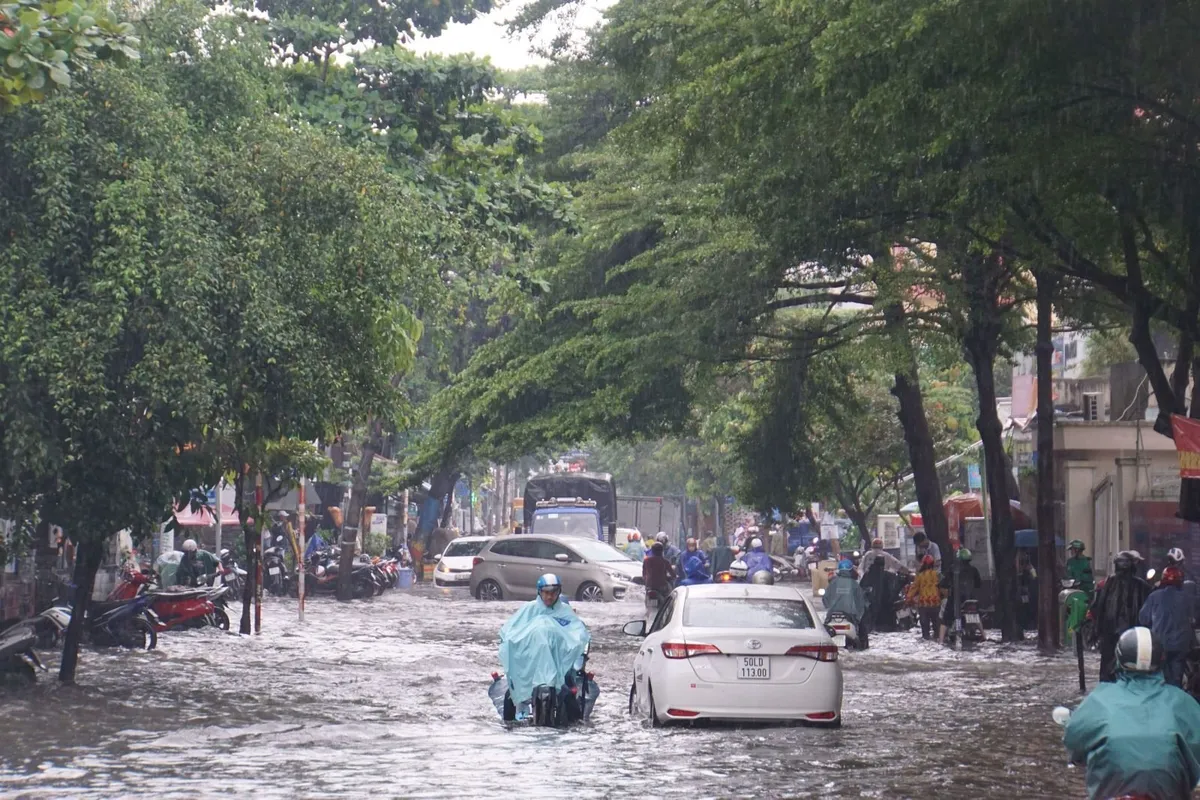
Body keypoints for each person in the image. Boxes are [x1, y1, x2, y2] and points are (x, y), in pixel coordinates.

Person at [1063, 627, 1200, 800]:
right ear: (1161, 659)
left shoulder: (1099, 699)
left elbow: (1073, 739)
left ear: (1119, 658)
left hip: (1111, 792)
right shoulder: (1182, 702)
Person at [497, 573, 591, 722]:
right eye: (546, 593)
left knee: (570, 701)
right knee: (511, 698)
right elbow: (510, 633)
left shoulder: (565, 612)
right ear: (539, 592)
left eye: (553, 593)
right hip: (531, 667)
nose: (549, 597)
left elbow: (579, 634)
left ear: (558, 593)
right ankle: (509, 723)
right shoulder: (529, 609)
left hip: (559, 669)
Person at [1093, 550, 1152, 683]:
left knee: (1108, 666)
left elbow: (1099, 607)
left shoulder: (1110, 583)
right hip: (1132, 635)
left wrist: (1098, 630)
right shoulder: (1140, 584)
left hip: (1111, 632)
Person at [1138, 566, 1195, 688]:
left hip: (1160, 644)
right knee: (1176, 679)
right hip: (1181, 645)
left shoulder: (1154, 596)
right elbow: (1193, 619)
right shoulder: (1187, 598)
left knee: (1159, 678)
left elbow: (1143, 619)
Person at [938, 548, 982, 645]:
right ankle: (984, 635)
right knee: (975, 615)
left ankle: (940, 641)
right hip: (970, 599)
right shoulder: (974, 570)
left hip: (955, 599)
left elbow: (943, 583)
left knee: (945, 619)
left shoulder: (953, 569)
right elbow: (979, 584)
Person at [824, 559, 869, 648]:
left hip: (832, 616)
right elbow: (861, 602)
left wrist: (831, 607)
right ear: (851, 570)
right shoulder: (854, 584)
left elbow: (825, 599)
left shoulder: (833, 583)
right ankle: (863, 646)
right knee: (862, 632)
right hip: (850, 615)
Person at [907, 555, 943, 639]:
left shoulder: (920, 576)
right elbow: (943, 588)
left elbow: (913, 588)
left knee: (925, 630)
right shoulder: (937, 575)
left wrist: (908, 599)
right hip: (935, 603)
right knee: (936, 627)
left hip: (923, 604)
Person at [1017, 551, 1038, 631]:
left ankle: (1030, 623)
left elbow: (1034, 577)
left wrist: (1030, 571)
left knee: (1028, 606)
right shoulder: (1019, 569)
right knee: (1023, 607)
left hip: (1028, 591)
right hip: (1022, 591)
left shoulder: (1031, 568)